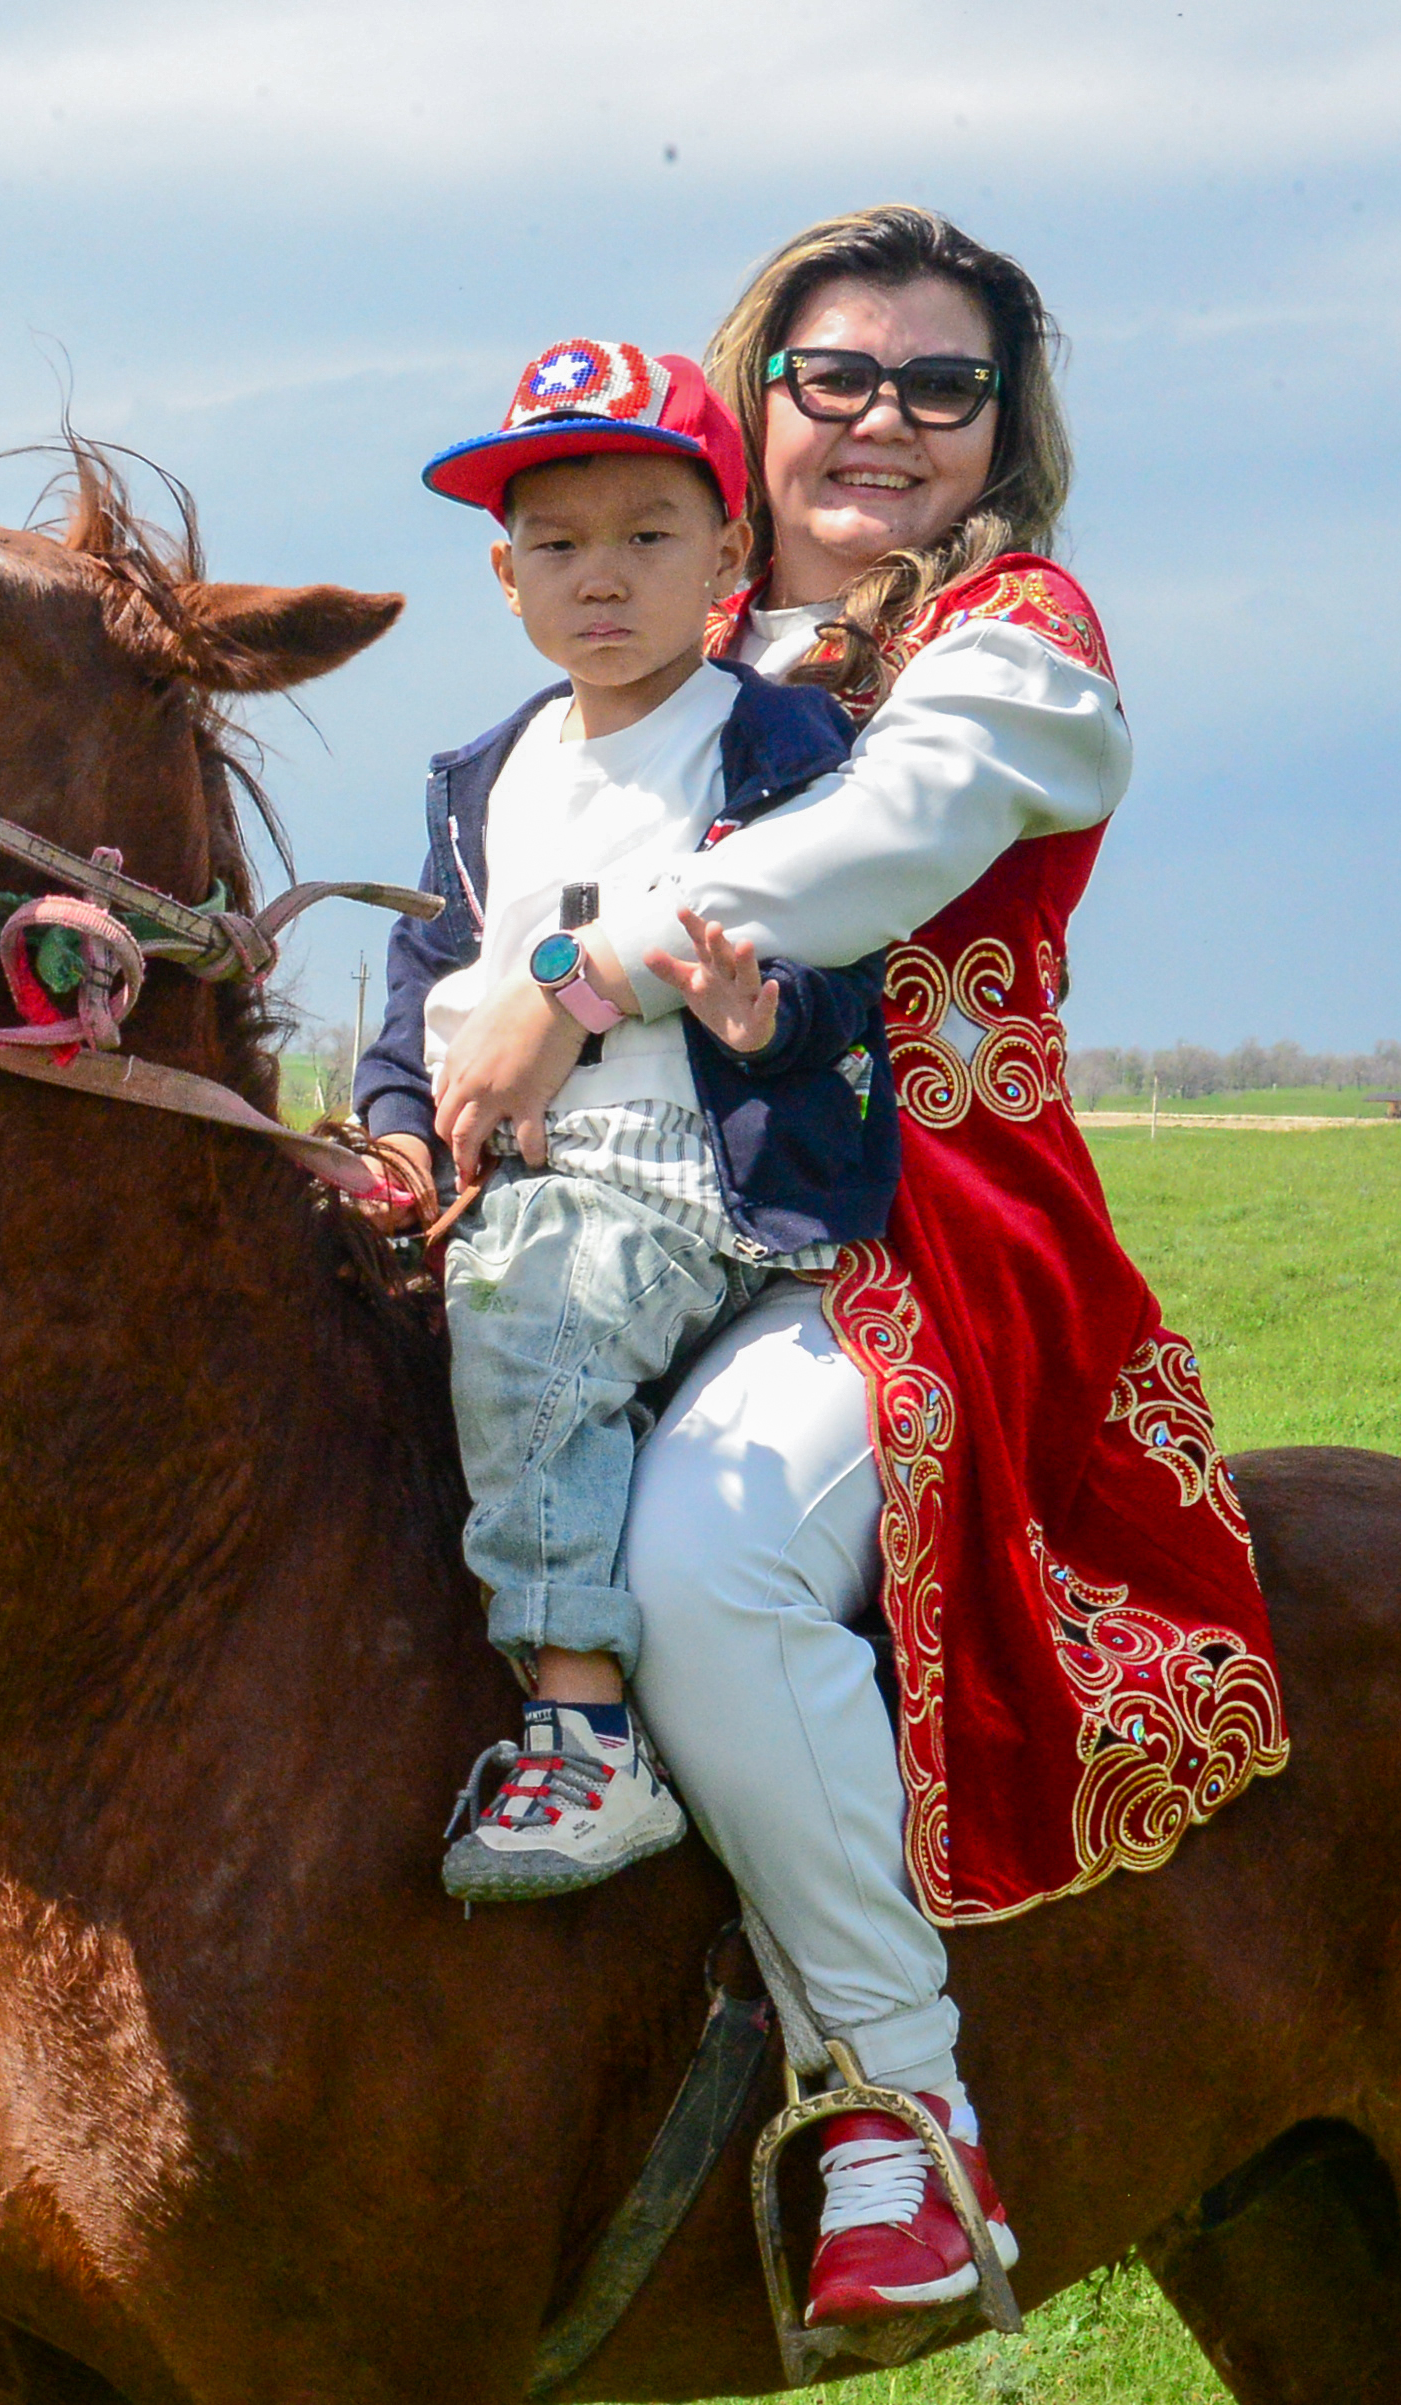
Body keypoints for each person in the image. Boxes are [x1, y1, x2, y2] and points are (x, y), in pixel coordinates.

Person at [419, 205, 1284, 2324]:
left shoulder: (1012, 636)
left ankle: (907, 2104)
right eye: (838, 377)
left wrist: (579, 967)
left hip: (904, 1240)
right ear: (757, 403)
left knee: (709, 1558)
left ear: (1005, 424)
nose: (886, 419)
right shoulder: (661, 664)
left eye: (943, 384)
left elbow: (878, 846)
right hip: (604, 1209)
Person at [357, 340, 895, 1902]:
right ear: (505, 574)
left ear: (729, 554)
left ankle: (583, 1728)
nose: (602, 578)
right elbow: (426, 975)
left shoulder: (772, 744)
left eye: (649, 536)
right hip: (501, 1158)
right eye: (557, 543)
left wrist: (765, 1015)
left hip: (687, 1178)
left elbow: (838, 955)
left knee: (526, 1312)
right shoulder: (487, 771)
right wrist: (396, 1121)